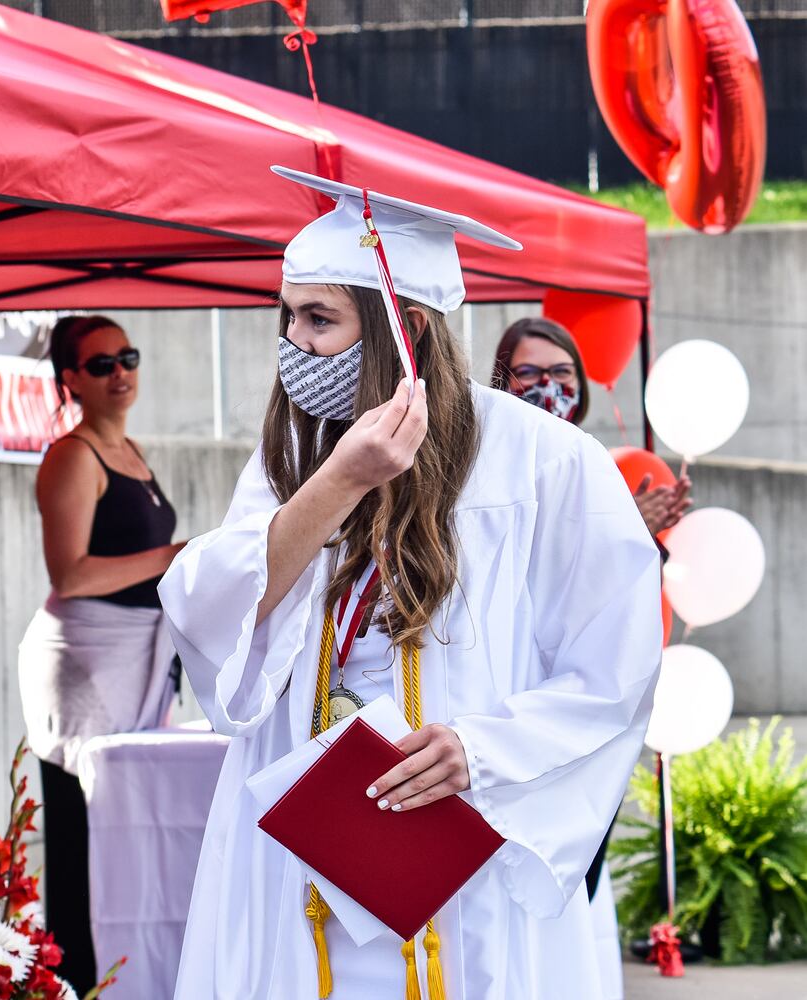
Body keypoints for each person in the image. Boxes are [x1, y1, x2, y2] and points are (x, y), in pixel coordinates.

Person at [162, 167, 662, 1000]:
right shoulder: (295, 457)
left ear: (407, 328)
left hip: (465, 845)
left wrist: (483, 750)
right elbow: (210, 612)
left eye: (319, 318)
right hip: (307, 859)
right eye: (287, 316)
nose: (295, 342)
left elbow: (613, 669)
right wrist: (338, 484)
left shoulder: (544, 461)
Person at [17, 315, 185, 992]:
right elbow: (72, 574)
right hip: (87, 666)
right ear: (70, 381)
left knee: (128, 824)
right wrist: (173, 558)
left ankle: (124, 970)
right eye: (100, 364)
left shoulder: (132, 450)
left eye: (128, 357)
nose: (120, 373)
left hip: (135, 659)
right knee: (81, 829)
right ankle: (73, 976)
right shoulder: (71, 456)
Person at [492, 316, 691, 536]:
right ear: (501, 380)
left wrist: (634, 532)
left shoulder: (593, 465)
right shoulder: (489, 465)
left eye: (562, 371)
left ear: (579, 381)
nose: (548, 383)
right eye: (528, 372)